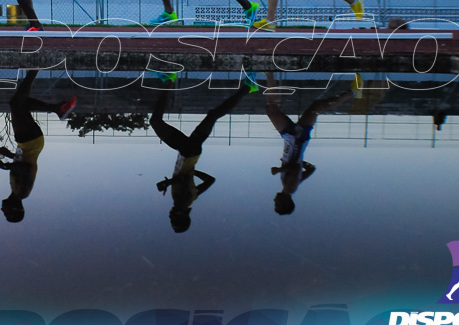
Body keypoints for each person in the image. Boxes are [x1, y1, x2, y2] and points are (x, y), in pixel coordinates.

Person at [150, 75, 258, 232]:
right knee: (155, 122)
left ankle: (248, 88)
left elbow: (210, 180)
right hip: (187, 152)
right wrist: (169, 183)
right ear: (181, 216)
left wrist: (192, 171)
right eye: (173, 219)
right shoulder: (181, 203)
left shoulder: (192, 199)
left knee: (212, 115)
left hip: (191, 153)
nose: (169, 216)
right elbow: (185, 178)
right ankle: (169, 79)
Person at [0, 69, 77, 222]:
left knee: (21, 104)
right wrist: (5, 165)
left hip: (30, 144)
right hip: (29, 142)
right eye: (6, 213)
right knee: (16, 103)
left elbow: (22, 162)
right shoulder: (22, 192)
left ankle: (56, 108)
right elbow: (27, 167)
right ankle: (34, 69)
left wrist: (8, 155)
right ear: (14, 208)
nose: (2, 209)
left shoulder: (16, 190)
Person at [265, 72, 356, 215]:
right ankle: (353, 93)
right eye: (277, 204)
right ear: (285, 203)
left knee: (277, 109)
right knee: (275, 109)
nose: (274, 201)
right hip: (296, 140)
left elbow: (311, 169)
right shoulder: (290, 188)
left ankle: (352, 92)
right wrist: (280, 170)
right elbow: (295, 170)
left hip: (295, 141)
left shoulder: (291, 187)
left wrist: (300, 161)